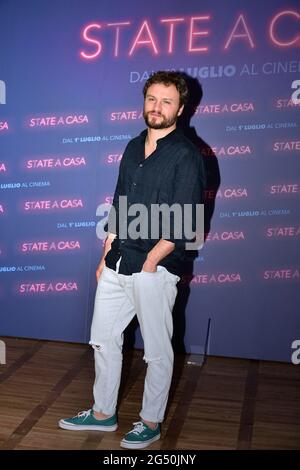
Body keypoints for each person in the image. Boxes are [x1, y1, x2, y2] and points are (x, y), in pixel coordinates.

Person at [58, 71, 206, 449]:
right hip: (119, 261)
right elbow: (120, 202)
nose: (157, 107)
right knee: (104, 341)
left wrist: (151, 262)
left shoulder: (187, 155)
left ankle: (150, 421)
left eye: (166, 101)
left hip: (154, 269)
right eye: (152, 99)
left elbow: (186, 219)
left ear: (181, 108)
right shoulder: (132, 147)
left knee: (157, 352)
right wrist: (106, 254)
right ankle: (103, 413)